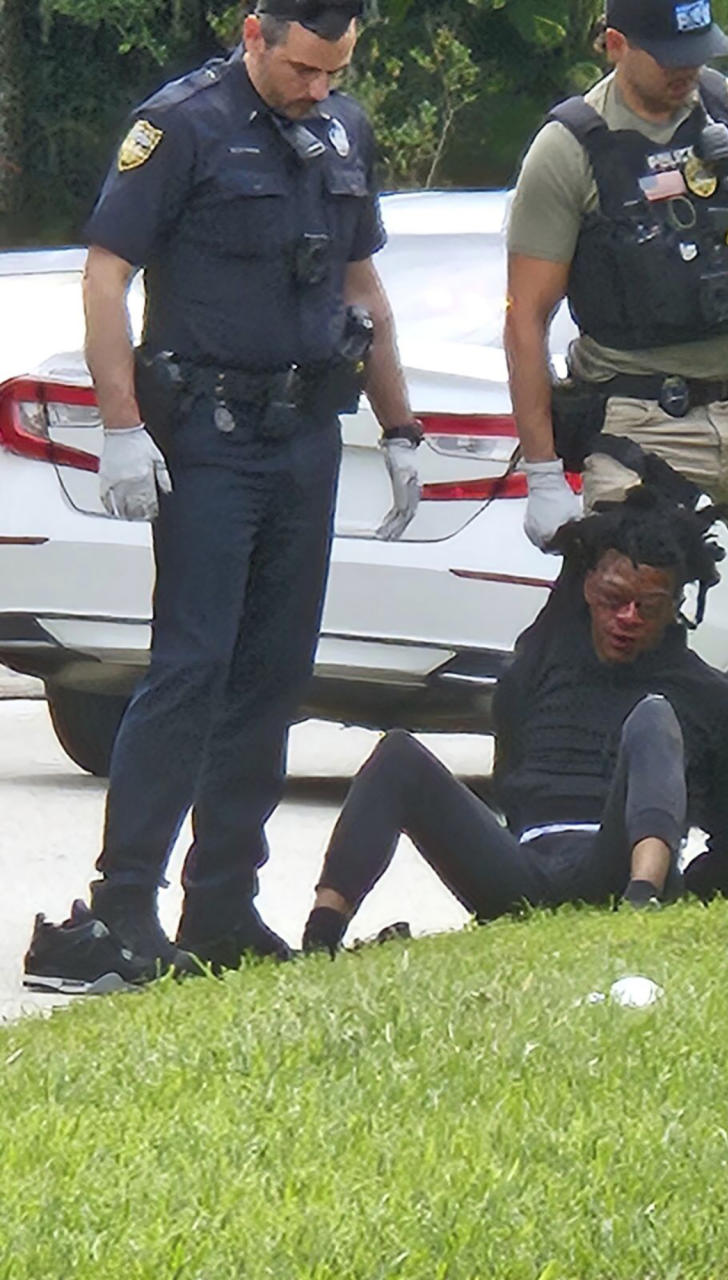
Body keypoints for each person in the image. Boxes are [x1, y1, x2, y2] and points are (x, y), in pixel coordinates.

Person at [73, 0, 423, 976]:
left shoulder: (342, 127)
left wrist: (400, 427)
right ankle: (124, 905)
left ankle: (221, 903)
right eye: (304, 68)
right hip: (209, 437)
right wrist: (120, 427)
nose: (319, 89)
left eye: (336, 71)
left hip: (306, 432)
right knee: (191, 667)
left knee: (272, 676)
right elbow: (107, 278)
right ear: (254, 31)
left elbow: (361, 285)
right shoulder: (182, 123)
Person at [503, 0, 728, 893]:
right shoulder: (570, 150)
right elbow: (526, 320)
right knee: (595, 634)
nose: (685, 70)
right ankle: (574, 852)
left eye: (697, 52)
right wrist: (545, 471)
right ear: (614, 42)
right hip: (638, 420)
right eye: (666, 53)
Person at [300, 486, 728, 957]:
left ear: (674, 607)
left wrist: (681, 892)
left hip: (616, 862)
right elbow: (511, 773)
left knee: (653, 716)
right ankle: (320, 938)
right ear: (587, 590)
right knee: (397, 756)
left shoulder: (714, 700)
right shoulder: (543, 662)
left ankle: (640, 909)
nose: (627, 617)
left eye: (646, 607)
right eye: (613, 599)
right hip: (524, 867)